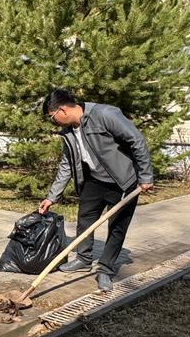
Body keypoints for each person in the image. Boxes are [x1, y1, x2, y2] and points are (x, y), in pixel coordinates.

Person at [38, 88, 154, 293]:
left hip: (123, 181)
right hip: (93, 180)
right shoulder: (68, 133)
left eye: (52, 117)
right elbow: (66, 165)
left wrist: (145, 176)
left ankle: (106, 270)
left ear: (62, 110)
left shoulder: (104, 115)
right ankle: (83, 259)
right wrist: (52, 197)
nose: (53, 122)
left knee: (117, 227)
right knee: (85, 220)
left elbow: (137, 140)